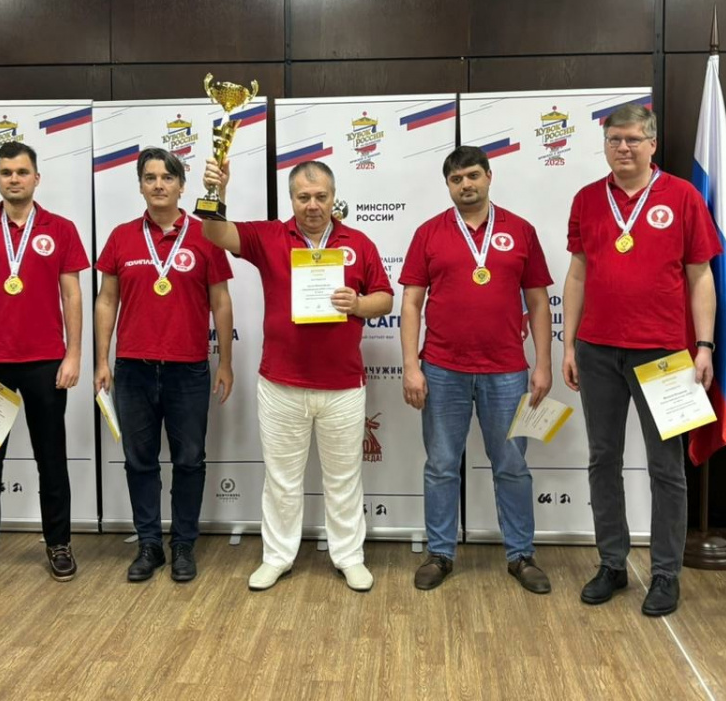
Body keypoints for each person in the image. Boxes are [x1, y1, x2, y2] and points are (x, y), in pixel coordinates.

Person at [201, 157, 393, 592]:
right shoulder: (269, 236)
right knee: (282, 480)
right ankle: (277, 557)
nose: (313, 205)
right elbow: (215, 233)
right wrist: (218, 192)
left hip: (343, 386)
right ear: (291, 199)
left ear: (333, 197)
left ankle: (349, 557)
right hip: (281, 383)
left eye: (321, 196)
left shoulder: (358, 242)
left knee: (343, 479)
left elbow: (385, 298)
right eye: (304, 197)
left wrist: (359, 304)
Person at [561, 103, 719, 617]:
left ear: (653, 144)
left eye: (632, 139)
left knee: (666, 466)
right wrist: (568, 344)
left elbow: (700, 275)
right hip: (597, 349)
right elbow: (578, 273)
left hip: (666, 353)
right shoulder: (587, 198)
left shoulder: (683, 196)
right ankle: (612, 563)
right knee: (602, 459)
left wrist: (704, 346)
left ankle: (667, 573)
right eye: (614, 140)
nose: (623, 148)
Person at [400, 146, 554, 592]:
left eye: (472, 175)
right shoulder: (429, 233)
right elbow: (410, 302)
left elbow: (538, 302)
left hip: (506, 371)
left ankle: (521, 555)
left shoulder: (520, 230)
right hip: (442, 368)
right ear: (448, 186)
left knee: (512, 465)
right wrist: (411, 366)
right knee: (441, 465)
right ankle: (440, 553)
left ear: (489, 176)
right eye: (456, 179)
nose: (465, 185)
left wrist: (543, 365)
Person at [0, 141, 89, 590]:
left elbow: (72, 294)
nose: (14, 179)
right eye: (6, 172)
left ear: (36, 178)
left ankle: (59, 544)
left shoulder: (61, 228)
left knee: (52, 459)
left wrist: (73, 354)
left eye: (22, 172)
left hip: (46, 363)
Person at [94, 147, 234, 583]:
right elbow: (107, 300)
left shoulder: (206, 235)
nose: (159, 185)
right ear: (140, 185)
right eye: (150, 178)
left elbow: (221, 301)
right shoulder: (121, 237)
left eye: (167, 177)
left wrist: (226, 362)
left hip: (187, 369)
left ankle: (184, 545)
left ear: (181, 186)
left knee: (190, 459)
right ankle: (149, 545)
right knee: (140, 460)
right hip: (132, 369)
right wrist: (101, 360)